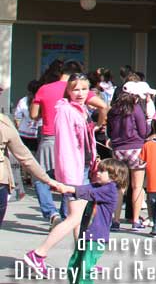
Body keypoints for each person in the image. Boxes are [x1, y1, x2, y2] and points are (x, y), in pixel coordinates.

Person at [26, 75, 98, 265]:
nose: (80, 93)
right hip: (73, 170)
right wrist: (69, 176)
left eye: (84, 89)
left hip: (83, 167)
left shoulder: (80, 109)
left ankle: (82, 259)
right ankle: (39, 253)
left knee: (79, 217)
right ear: (68, 90)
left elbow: (85, 140)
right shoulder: (65, 110)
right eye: (76, 89)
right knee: (75, 218)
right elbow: (66, 145)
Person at [24, 159, 129, 282]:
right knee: (75, 264)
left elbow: (89, 193)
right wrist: (65, 188)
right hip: (86, 234)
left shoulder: (110, 189)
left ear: (114, 176)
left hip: (97, 237)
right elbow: (83, 188)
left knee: (85, 268)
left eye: (102, 171)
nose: (98, 173)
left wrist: (69, 190)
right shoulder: (98, 185)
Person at [31, 61, 108, 227]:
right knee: (74, 179)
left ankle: (52, 212)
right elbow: (103, 105)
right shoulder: (80, 90)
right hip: (78, 145)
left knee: (41, 177)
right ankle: (67, 214)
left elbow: (33, 114)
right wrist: (98, 125)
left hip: (49, 137)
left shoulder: (46, 89)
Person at [0, 113, 63, 229]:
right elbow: (24, 156)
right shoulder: (3, 122)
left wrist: (46, 179)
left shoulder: (4, 123)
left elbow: (24, 156)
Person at [106, 85, 150, 230]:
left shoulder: (113, 110)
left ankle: (115, 220)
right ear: (135, 96)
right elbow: (143, 131)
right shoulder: (136, 109)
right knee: (137, 186)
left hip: (118, 149)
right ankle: (135, 221)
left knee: (119, 186)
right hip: (136, 148)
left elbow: (109, 131)